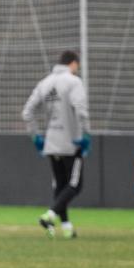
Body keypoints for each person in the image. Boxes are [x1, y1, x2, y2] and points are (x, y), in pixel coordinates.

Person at [22, 50, 91, 239]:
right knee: (75, 185)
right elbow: (81, 111)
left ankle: (67, 227)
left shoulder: (44, 83)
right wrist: (85, 134)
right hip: (72, 143)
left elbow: (27, 112)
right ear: (73, 63)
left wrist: (36, 137)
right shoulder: (74, 82)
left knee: (60, 186)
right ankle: (50, 215)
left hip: (51, 143)